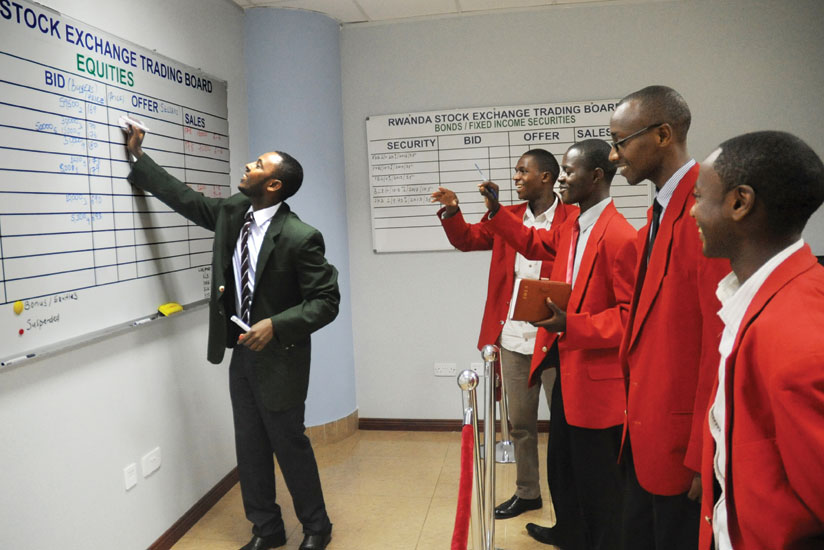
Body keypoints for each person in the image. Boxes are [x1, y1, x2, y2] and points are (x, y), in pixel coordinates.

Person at [123, 124, 338, 550]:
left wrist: (276, 324)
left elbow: (325, 301)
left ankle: (316, 527)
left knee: (288, 444)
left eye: (258, 165)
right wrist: (138, 158)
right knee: (250, 445)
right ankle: (267, 528)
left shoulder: (300, 237)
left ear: (273, 185)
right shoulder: (234, 213)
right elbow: (188, 200)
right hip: (241, 354)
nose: (247, 165)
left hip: (281, 357)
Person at [480, 139, 636, 549]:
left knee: (596, 477)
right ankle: (569, 530)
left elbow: (629, 318)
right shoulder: (574, 225)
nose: (562, 178)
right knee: (563, 465)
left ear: (597, 176)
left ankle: (593, 538)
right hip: (566, 365)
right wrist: (497, 213)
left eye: (569, 172)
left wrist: (574, 324)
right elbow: (534, 244)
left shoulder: (620, 235)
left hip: (594, 376)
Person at [607, 85, 729, 550]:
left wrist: (704, 453)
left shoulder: (706, 208)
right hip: (645, 434)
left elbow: (718, 342)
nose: (616, 155)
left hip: (683, 448)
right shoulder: (659, 210)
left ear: (662, 135)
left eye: (622, 141)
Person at [690, 131, 824, 550]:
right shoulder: (758, 299)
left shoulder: (794, 334)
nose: (693, 211)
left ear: (739, 202)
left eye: (699, 196)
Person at [431, 149, 578, 520]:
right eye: (515, 171)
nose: (516, 178)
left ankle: (572, 506)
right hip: (512, 338)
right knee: (521, 425)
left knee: (567, 429)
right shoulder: (507, 216)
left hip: (556, 340)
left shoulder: (573, 218)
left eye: (522, 171)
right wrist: (452, 209)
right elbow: (466, 239)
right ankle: (528, 492)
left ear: (546, 176)